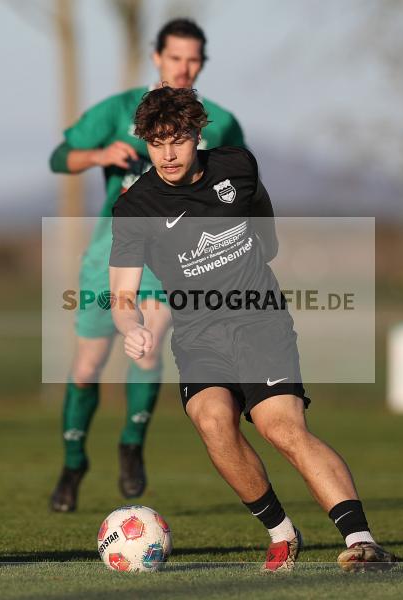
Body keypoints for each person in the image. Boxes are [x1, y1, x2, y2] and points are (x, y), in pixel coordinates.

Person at [108, 86, 397, 572]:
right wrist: (130, 326)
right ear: (145, 145)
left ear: (197, 134)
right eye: (156, 143)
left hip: (259, 319)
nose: (168, 153)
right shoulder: (136, 207)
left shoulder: (237, 167)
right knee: (213, 423)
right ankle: (283, 533)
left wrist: (262, 248)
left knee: (280, 427)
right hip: (199, 336)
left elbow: (263, 224)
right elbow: (122, 294)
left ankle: (362, 541)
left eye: (177, 139)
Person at [47, 19, 245, 512]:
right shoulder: (118, 110)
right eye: (175, 57)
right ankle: (73, 462)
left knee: (147, 346)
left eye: (193, 59)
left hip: (169, 256)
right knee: (88, 364)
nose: (184, 67)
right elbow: (58, 156)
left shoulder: (221, 121)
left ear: (202, 63)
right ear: (157, 57)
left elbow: (235, 188)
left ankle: (131, 446)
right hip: (108, 252)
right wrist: (95, 154)